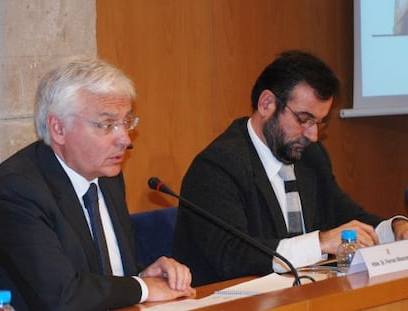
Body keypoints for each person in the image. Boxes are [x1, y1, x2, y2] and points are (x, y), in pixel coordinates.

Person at [172, 50, 408, 286]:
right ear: (267, 104)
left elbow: (343, 214)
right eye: (304, 119)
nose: (313, 135)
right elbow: (233, 255)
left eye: (319, 123)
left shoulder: (309, 156)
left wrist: (394, 228)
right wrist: (321, 242)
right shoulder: (217, 166)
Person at [0, 57, 195, 310]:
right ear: (58, 129)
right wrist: (141, 289)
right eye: (107, 124)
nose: (125, 139)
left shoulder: (107, 175)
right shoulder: (16, 189)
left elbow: (102, 278)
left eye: (126, 122)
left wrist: (145, 276)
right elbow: (62, 296)